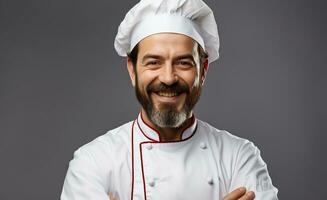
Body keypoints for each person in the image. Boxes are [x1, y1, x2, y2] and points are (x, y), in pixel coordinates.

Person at [60, 0, 279, 199]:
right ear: (132, 70)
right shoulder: (92, 162)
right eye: (153, 62)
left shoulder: (239, 156)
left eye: (183, 63)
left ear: (203, 70)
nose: (168, 78)